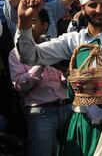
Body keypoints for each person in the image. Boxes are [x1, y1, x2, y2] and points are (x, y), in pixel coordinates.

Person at [14, 0, 102, 156]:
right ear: (83, 8)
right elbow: (30, 56)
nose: (99, 10)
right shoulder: (74, 40)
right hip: (79, 125)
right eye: (93, 5)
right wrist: (24, 22)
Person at [8, 9, 71, 156]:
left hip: (67, 107)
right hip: (41, 113)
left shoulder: (56, 48)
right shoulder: (15, 54)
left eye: (33, 21)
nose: (27, 26)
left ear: (45, 26)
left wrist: (66, 72)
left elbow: (66, 81)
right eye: (24, 23)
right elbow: (20, 85)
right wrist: (41, 63)